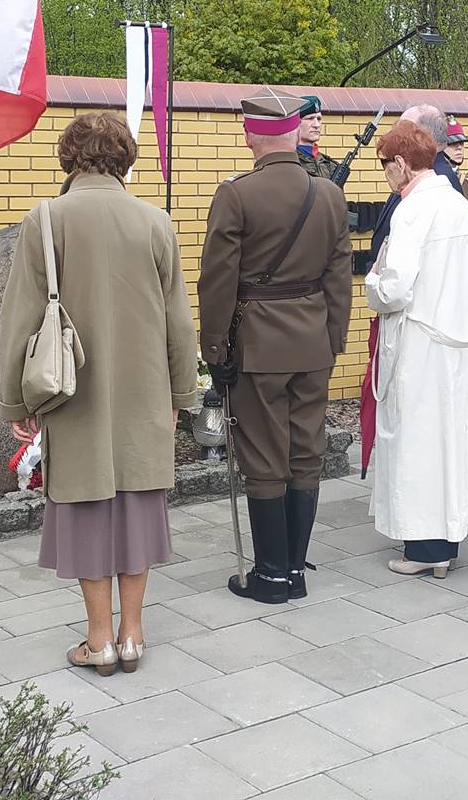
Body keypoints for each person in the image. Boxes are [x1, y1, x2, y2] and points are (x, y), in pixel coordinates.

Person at [0, 113, 199, 675]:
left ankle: (99, 640)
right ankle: (134, 635)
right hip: (144, 390)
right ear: (125, 159)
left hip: (71, 391)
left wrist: (15, 400)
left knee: (85, 506)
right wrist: (181, 392)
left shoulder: (46, 219)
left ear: (68, 157)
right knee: (138, 505)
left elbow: (19, 316)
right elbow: (179, 322)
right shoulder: (156, 222)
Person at [200, 87, 352, 605]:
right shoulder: (328, 194)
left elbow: (218, 281)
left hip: (259, 344)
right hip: (313, 341)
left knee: (264, 455)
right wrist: (333, 339)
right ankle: (294, 570)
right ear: (292, 132)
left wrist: (215, 349)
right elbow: (338, 277)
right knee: (305, 452)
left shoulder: (236, 194)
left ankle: (270, 577)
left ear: (251, 136)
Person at [365, 121, 468, 577]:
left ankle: (424, 548)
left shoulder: (412, 209)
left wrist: (373, 284)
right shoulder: (456, 203)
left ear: (401, 164)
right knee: (450, 443)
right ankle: (447, 540)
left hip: (418, 339)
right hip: (455, 340)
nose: (385, 174)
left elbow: (395, 287)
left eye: (385, 165)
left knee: (417, 443)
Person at [370, 105, 459, 257]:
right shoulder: (418, 171)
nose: (395, 135)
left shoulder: (434, 180)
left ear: (422, 137)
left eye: (403, 129)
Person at [294, 95, 342, 181]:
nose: (317, 125)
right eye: (310, 118)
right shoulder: (290, 161)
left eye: (319, 119)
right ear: (296, 122)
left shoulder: (330, 165)